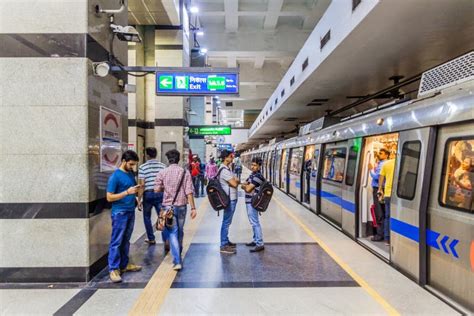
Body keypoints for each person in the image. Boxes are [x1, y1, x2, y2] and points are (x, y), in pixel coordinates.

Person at [154, 149, 197, 270]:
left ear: (168, 159)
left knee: (172, 232)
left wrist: (166, 188)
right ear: (178, 159)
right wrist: (193, 208)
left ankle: (177, 260)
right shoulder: (185, 172)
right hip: (182, 206)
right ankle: (179, 251)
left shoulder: (162, 172)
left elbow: (156, 189)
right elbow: (189, 191)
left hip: (168, 207)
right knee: (180, 230)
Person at [106, 150, 142, 283]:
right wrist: (127, 192)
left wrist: (136, 199)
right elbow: (109, 197)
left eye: (134, 165)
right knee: (116, 241)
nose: (132, 166)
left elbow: (132, 189)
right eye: (131, 164)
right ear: (124, 161)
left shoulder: (130, 174)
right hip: (119, 213)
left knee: (126, 239)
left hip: (130, 211)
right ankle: (113, 269)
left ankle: (124, 264)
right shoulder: (115, 176)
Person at [138, 147, 166, 245]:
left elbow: (141, 185)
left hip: (148, 194)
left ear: (147, 155)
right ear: (156, 154)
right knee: (162, 216)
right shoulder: (162, 166)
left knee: (146, 217)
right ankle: (166, 240)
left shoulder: (142, 167)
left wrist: (139, 199)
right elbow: (165, 182)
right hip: (160, 193)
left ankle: (151, 238)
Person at [241, 157, 265, 252]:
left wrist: (245, 186)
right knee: (253, 221)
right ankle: (255, 240)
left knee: (255, 222)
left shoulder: (257, 177)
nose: (252, 167)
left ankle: (259, 243)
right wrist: (245, 185)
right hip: (249, 201)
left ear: (259, 166)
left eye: (255, 165)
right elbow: (245, 184)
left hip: (253, 201)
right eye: (252, 165)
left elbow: (247, 188)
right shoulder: (252, 175)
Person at [218, 150, 240, 254]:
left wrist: (235, 180)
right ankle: (223, 245)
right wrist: (235, 181)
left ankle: (225, 241)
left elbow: (235, 181)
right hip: (229, 199)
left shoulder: (228, 169)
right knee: (226, 222)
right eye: (231, 156)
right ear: (226, 157)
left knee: (227, 221)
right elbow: (235, 183)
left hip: (231, 198)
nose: (232, 158)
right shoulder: (225, 171)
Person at [368, 149, 388, 241]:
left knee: (379, 212)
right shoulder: (381, 163)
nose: (379, 154)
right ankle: (383, 233)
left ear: (386, 155)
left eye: (381, 153)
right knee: (383, 212)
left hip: (379, 190)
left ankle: (379, 234)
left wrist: (371, 169)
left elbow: (377, 177)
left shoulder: (383, 164)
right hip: (383, 189)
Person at [378, 151, 396, 246]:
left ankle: (387, 239)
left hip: (388, 194)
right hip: (398, 195)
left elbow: (381, 177)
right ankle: (396, 238)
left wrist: (380, 189)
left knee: (387, 217)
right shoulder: (403, 163)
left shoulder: (386, 164)